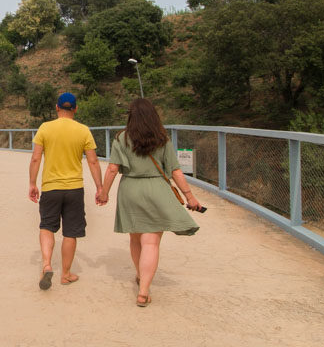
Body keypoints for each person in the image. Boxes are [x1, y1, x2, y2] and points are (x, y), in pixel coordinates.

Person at [96, 97, 202, 307]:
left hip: (130, 190)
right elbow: (175, 170)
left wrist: (104, 192)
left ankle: (140, 274)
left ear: (131, 117)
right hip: (156, 190)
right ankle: (143, 291)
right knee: (151, 242)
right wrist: (189, 196)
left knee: (136, 240)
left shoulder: (121, 138)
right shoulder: (162, 139)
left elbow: (112, 169)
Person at [28, 92, 103, 290]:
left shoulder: (45, 128)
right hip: (74, 188)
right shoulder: (83, 130)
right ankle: (66, 274)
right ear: (76, 109)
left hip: (51, 188)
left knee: (47, 226)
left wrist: (32, 183)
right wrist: (100, 187)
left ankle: (46, 265)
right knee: (71, 231)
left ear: (57, 108)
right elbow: (93, 161)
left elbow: (36, 158)